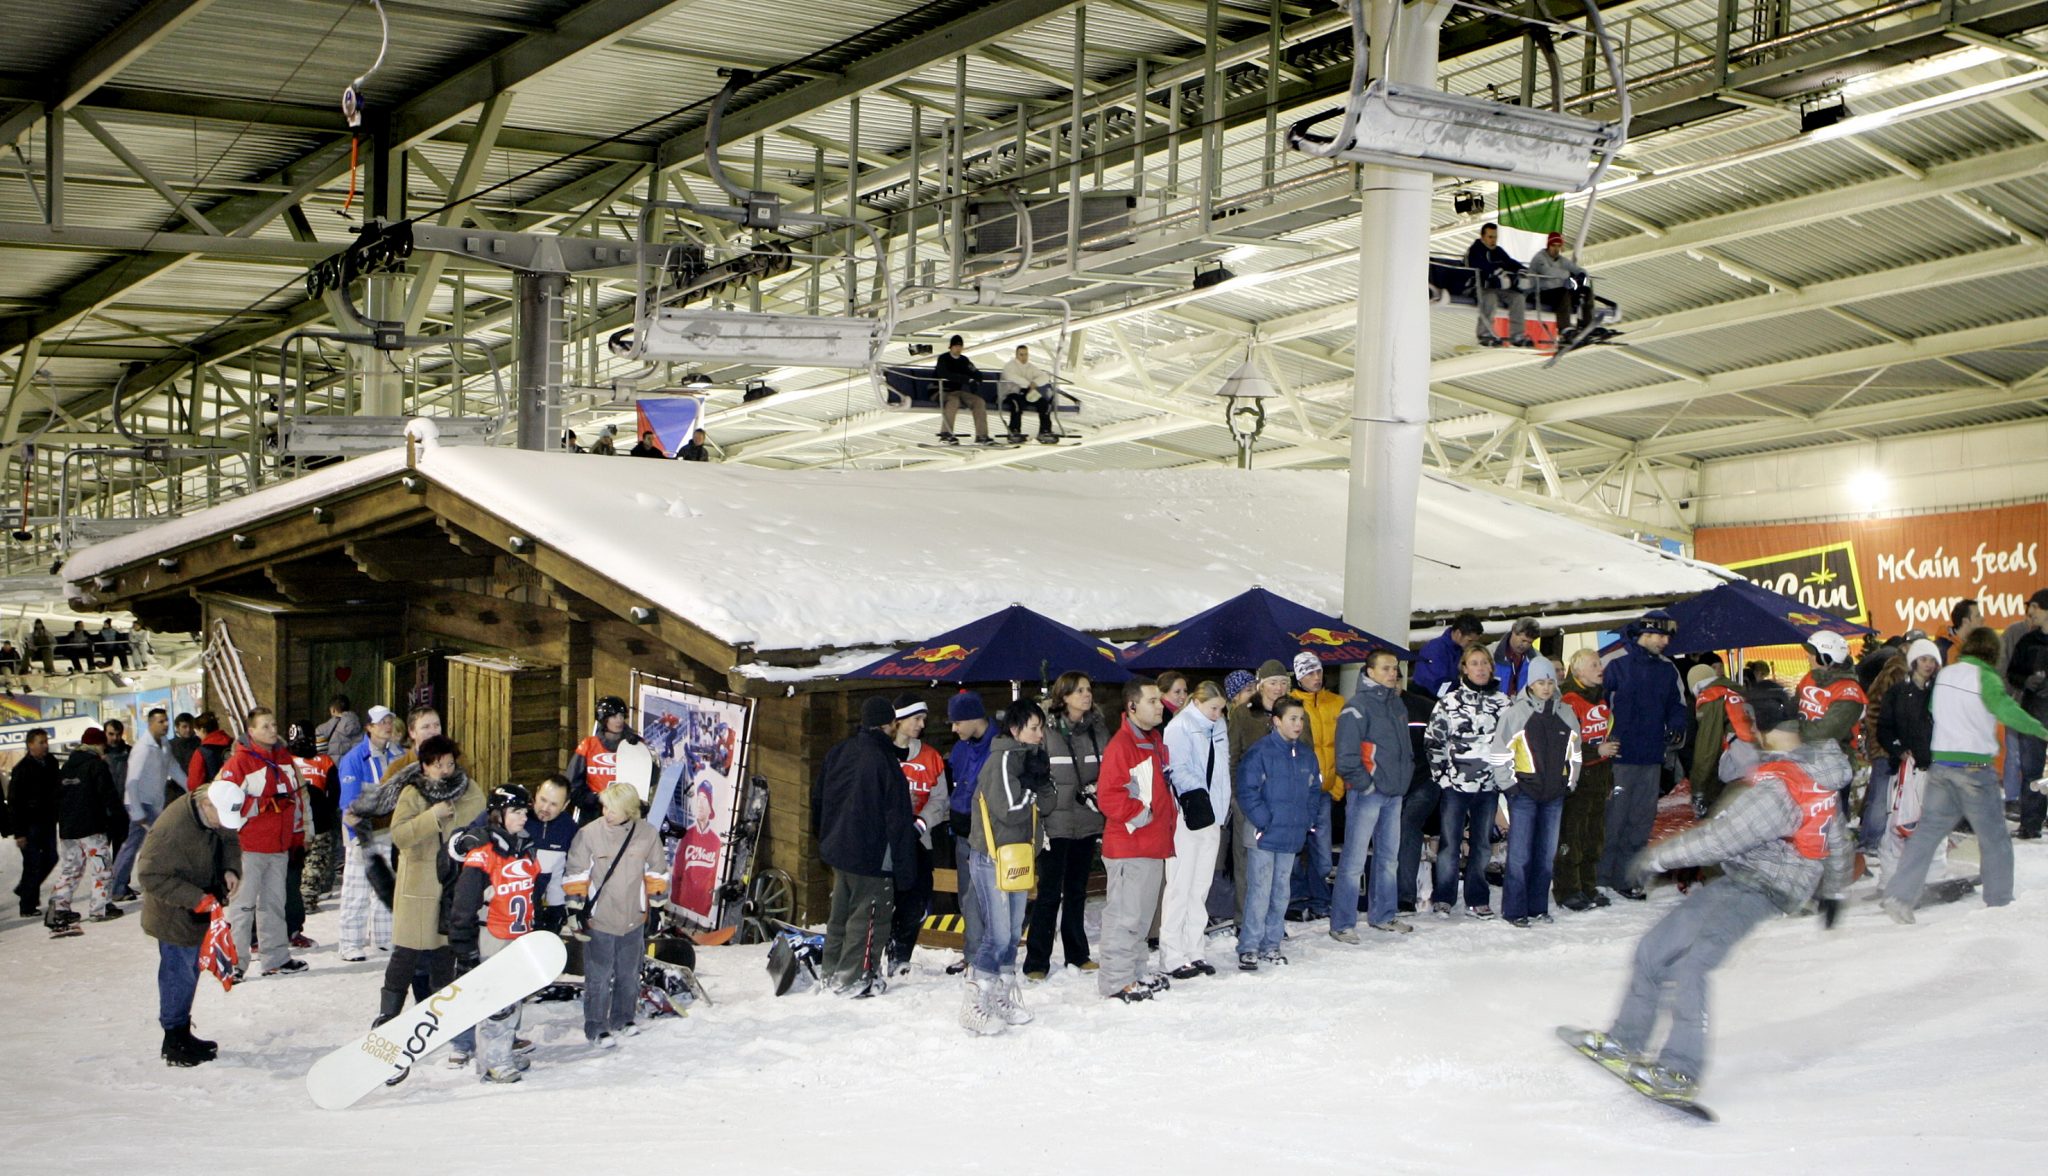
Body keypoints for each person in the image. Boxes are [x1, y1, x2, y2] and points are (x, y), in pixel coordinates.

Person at [1569, 722, 1852, 1101]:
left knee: (1692, 964)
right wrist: (1833, 889)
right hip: (1739, 881)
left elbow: (1720, 839)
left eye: (1763, 729)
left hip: (1766, 888)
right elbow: (1837, 835)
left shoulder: (1781, 788)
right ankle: (1626, 1040)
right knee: (1655, 947)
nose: (1759, 736)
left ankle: (1680, 1070)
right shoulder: (1806, 772)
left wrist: (1658, 858)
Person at [1882, 627, 2048, 921]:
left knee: (1927, 832)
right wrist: (2040, 729)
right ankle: (1999, 904)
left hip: (1941, 767)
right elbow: (2009, 712)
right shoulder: (1986, 678)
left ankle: (1900, 894)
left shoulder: (1946, 675)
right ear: (1992, 653)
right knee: (1994, 837)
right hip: (1974, 769)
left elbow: (1933, 707)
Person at [370, 735, 485, 1028]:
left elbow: (483, 823)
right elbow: (399, 835)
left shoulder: (469, 790)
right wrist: (432, 816)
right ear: (424, 767)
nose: (445, 770)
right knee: (405, 954)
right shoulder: (413, 793)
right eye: (437, 765)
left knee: (444, 954)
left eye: (449, 763)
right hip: (418, 887)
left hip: (453, 886)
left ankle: (438, 1018)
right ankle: (388, 1016)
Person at [959, 700, 1055, 1035]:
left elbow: (1050, 803)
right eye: (1033, 728)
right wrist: (1034, 788)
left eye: (1041, 728)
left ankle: (999, 996)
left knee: (1014, 933)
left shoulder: (1023, 759)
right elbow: (1010, 809)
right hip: (991, 857)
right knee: (997, 933)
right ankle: (974, 1002)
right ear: (1015, 730)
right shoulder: (1002, 759)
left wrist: (1039, 784)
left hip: (1017, 856)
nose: (1039, 735)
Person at [812, 696, 918, 996]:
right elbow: (897, 820)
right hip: (872, 855)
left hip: (839, 849)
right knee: (869, 919)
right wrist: (904, 869)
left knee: (840, 916)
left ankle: (831, 971)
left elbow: (818, 799)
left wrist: (825, 837)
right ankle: (856, 978)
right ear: (889, 724)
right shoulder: (885, 764)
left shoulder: (839, 752)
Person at [137, 780, 244, 1067]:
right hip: (173, 914)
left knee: (189, 972)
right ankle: (173, 1040)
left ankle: (182, 1032)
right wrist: (196, 898)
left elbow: (229, 836)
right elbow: (149, 875)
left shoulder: (214, 807)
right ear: (207, 805)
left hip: (199, 907)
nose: (223, 823)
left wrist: (230, 869)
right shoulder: (171, 830)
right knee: (178, 974)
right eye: (219, 818)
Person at [564, 779, 667, 1045]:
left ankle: (623, 1017)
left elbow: (656, 872)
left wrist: (656, 908)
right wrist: (575, 909)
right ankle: (596, 1026)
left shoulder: (647, 834)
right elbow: (576, 873)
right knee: (598, 977)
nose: (605, 813)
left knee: (629, 973)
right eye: (604, 807)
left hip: (633, 918)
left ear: (629, 811)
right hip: (601, 919)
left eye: (612, 809)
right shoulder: (588, 834)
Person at [448, 784, 540, 1082]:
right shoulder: (483, 854)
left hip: (519, 934)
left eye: (525, 811)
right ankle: (492, 1061)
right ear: (498, 815)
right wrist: (465, 948)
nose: (524, 816)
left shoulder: (524, 848)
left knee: (513, 999)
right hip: (493, 937)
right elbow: (463, 904)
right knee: (497, 1003)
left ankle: (502, 1051)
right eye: (516, 811)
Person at [1094, 678, 1175, 1002]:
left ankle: (1135, 972)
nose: (1161, 706)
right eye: (1153, 701)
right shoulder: (1122, 745)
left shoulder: (1152, 740)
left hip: (1151, 844)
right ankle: (1116, 980)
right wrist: (1142, 815)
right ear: (1132, 706)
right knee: (1124, 917)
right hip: (1130, 846)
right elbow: (1108, 796)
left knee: (1140, 918)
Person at [1598, 610, 1688, 901]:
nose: (1665, 642)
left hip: (1650, 756)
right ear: (1643, 634)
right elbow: (1597, 706)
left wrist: (1676, 725)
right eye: (1660, 636)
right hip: (1617, 757)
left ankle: (1627, 877)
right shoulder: (1615, 665)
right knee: (1613, 819)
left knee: (1640, 820)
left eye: (1666, 637)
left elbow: (1678, 704)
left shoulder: (1668, 669)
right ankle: (1599, 877)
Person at [1024, 671, 1107, 979]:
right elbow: (1033, 774)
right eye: (1079, 690)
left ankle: (1077, 953)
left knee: (1076, 890)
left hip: (1087, 820)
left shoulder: (1098, 729)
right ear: (1064, 696)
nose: (1087, 695)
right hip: (1055, 822)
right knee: (1048, 893)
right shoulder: (1045, 730)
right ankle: (1036, 962)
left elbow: (1108, 768)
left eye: (1089, 689)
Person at [1331, 650, 1417, 940]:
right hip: (1368, 794)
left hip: (1394, 792)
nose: (1393, 673)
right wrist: (1366, 785)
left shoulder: (1397, 705)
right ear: (1369, 671)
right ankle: (1342, 923)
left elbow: (1404, 748)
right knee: (1354, 861)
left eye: (1395, 669)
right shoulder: (1357, 707)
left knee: (1388, 858)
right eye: (1386, 668)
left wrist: (1404, 779)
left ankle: (1383, 915)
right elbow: (1346, 756)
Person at [1489, 657, 1580, 927]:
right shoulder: (1516, 713)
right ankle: (1515, 910)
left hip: (1555, 794)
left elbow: (1575, 752)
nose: (1546, 687)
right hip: (1524, 793)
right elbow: (1499, 752)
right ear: (1531, 683)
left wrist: (1571, 781)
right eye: (1541, 682)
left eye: (1550, 681)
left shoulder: (1566, 712)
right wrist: (1509, 785)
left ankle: (1538, 907)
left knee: (1545, 854)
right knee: (1520, 855)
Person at [216, 707, 305, 977]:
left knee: (274, 905)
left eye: (274, 724)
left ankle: (275, 958)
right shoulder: (238, 763)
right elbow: (222, 804)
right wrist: (264, 806)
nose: (272, 730)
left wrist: (298, 834)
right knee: (242, 907)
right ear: (251, 732)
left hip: (278, 846)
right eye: (265, 726)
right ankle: (235, 964)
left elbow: (299, 798)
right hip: (248, 847)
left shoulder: (286, 759)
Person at [1235, 696, 1319, 969]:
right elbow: (1247, 790)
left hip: (1291, 834)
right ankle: (1249, 945)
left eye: (1301, 719)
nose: (1298, 724)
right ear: (1277, 721)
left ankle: (1271, 944)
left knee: (1282, 891)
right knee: (1260, 890)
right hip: (1263, 834)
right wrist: (1264, 821)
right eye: (1292, 719)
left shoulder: (1306, 754)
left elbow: (1314, 790)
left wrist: (1307, 819)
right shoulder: (1260, 753)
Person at [1427, 644, 1508, 918]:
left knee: (1482, 844)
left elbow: (1513, 742)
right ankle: (1444, 897)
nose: (1480, 668)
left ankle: (1477, 897)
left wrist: (1504, 776)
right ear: (1464, 667)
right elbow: (1434, 740)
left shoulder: (1503, 702)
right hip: (1455, 786)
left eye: (1484, 663)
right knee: (1450, 843)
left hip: (1489, 787)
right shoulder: (1449, 702)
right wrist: (1442, 776)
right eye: (1474, 663)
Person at [1161, 680, 1231, 978]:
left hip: (1213, 815)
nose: (1217, 714)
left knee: (1200, 886)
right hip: (1189, 815)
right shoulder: (1179, 727)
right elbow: (1177, 768)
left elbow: (1223, 771)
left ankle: (1194, 948)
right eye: (1213, 708)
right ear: (1198, 702)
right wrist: (1198, 799)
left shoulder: (1220, 727)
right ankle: (1171, 954)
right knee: (1180, 885)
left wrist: (1220, 806)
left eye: (1221, 710)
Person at [887, 695, 951, 975]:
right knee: (885, 898)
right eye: (916, 719)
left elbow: (940, 800)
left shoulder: (930, 756)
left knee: (915, 899)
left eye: (923, 719)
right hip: (884, 841)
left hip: (918, 840)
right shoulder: (881, 753)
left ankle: (901, 954)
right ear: (899, 720)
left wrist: (922, 822)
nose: (922, 725)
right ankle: (879, 951)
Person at [1225, 660, 1292, 921]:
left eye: (1283, 683)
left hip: (1285, 800)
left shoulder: (1294, 713)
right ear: (1261, 685)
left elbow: (1306, 753)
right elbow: (1233, 756)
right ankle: (1246, 919)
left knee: (1281, 865)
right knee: (1248, 863)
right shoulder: (1243, 714)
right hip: (1250, 798)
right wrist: (1236, 795)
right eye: (1273, 682)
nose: (1278, 688)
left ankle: (1274, 920)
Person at [335, 704, 399, 960]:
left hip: (390, 832)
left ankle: (384, 938)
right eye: (381, 722)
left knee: (386, 886)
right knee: (357, 889)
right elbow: (350, 802)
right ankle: (350, 942)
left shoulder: (398, 754)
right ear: (369, 727)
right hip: (363, 833)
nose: (387, 726)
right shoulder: (354, 758)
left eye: (389, 721)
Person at [47, 727, 126, 932]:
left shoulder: (66, 768)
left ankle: (59, 907)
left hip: (68, 829)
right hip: (92, 826)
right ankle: (100, 908)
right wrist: (118, 816)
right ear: (97, 745)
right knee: (101, 867)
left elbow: (56, 798)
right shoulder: (96, 766)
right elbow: (107, 795)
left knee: (71, 868)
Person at [1555, 649, 1615, 912]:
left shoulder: (1600, 697)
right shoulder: (1568, 699)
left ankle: (1588, 886)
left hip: (1599, 775)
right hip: (1577, 776)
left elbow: (1602, 737)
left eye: (1599, 663)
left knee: (1594, 836)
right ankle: (1568, 889)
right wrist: (1595, 752)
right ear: (1578, 671)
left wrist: (1608, 776)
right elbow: (1564, 743)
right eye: (1593, 664)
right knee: (1573, 835)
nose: (1600, 668)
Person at [1869, 639, 1938, 856]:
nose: (1928, 665)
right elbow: (1884, 727)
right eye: (1923, 659)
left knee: (1931, 824)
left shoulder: (1938, 693)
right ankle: (1892, 876)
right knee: (1897, 824)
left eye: (1932, 660)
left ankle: (1928, 871)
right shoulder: (1897, 692)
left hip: (1932, 768)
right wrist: (1898, 750)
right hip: (1903, 769)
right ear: (1914, 661)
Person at [943, 690, 996, 974]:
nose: (953, 728)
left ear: (973, 718)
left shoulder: (998, 746)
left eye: (956, 722)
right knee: (968, 896)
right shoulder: (962, 747)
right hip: (963, 832)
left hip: (989, 834)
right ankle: (973, 954)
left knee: (986, 896)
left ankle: (986, 956)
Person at [1288, 652, 1342, 921]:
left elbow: (1344, 745)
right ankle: (1296, 900)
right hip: (1298, 790)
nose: (1316, 677)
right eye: (1309, 673)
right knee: (1296, 849)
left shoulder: (1337, 702)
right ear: (1298, 676)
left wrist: (1338, 784)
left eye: (1318, 672)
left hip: (1325, 790)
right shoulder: (1291, 704)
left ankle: (1321, 900)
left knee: (1322, 852)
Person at [1795, 631, 1868, 819]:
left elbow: (1825, 733)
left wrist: (1790, 732)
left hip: (1833, 765)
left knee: (1832, 821)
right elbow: (1791, 709)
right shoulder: (1809, 678)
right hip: (1803, 760)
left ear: (1826, 657)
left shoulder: (1849, 692)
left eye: (1812, 653)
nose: (1808, 656)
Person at [111, 708, 177, 903]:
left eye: (166, 721)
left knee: (138, 845)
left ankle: (118, 885)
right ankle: (117, 886)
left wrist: (193, 787)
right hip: (140, 803)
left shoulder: (163, 745)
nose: (165, 725)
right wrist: (137, 810)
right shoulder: (142, 748)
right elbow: (131, 781)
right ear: (150, 724)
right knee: (145, 843)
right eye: (161, 721)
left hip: (152, 803)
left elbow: (174, 768)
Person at [1688, 660, 1759, 819]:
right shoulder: (1735, 690)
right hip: (1759, 759)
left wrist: (1698, 788)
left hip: (1740, 763)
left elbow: (1707, 749)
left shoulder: (1711, 698)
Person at [2004, 590, 2048, 839]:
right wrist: (2026, 681)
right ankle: (2031, 824)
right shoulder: (2027, 641)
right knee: (2031, 770)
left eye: (2034, 607)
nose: (2030, 612)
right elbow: (2012, 674)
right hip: (2032, 714)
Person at [10, 728, 65, 917]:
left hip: (47, 821)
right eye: (41, 742)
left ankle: (25, 888)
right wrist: (19, 833)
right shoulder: (22, 769)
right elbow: (15, 803)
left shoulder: (50, 763)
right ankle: (27, 905)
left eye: (46, 741)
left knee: (51, 857)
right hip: (29, 824)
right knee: (32, 863)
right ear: (30, 744)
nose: (45, 745)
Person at [291, 722, 339, 919]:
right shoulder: (324, 762)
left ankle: (301, 899)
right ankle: (306, 900)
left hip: (301, 820)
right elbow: (334, 793)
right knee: (314, 863)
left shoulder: (288, 761)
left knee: (303, 863)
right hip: (315, 819)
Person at [568, 696, 642, 819]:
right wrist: (593, 800)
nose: (619, 721)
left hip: (625, 811)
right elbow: (572, 785)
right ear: (604, 719)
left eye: (622, 716)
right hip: (594, 812)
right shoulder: (588, 746)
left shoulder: (636, 745)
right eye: (614, 717)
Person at [1466, 222, 1531, 347]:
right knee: (1490, 298)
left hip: (1497, 288)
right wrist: (1495, 272)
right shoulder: (1475, 250)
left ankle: (1517, 335)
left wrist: (1522, 271)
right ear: (1483, 236)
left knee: (1518, 298)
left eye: (1495, 237)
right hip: (1479, 287)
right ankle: (1484, 334)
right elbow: (1479, 265)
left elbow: (1510, 262)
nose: (1493, 240)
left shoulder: (1498, 251)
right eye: (1490, 237)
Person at [527, 776, 578, 932]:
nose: (545, 807)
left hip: (542, 905)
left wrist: (560, 911)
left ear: (565, 805)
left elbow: (570, 871)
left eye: (554, 804)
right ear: (536, 793)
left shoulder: (569, 829)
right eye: (543, 799)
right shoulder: (517, 815)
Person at [933, 334, 992, 445]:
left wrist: (976, 380)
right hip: (941, 390)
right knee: (953, 401)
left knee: (978, 401)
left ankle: (982, 435)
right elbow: (944, 374)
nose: (958, 348)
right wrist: (966, 379)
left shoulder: (964, 360)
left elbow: (975, 372)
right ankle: (946, 434)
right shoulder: (943, 359)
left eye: (960, 346)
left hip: (958, 392)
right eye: (956, 346)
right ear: (950, 347)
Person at [1413, 614, 1485, 699]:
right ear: (1458, 634)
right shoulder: (1434, 650)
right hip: (1428, 698)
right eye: (1470, 641)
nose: (1472, 645)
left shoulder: (1460, 648)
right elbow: (1437, 687)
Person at [996, 343, 1055, 444]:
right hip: (1011, 393)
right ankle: (1014, 431)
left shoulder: (1030, 367)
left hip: (1027, 393)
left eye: (1026, 354)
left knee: (1044, 404)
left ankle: (1045, 431)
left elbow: (1044, 376)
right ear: (1016, 355)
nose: (1024, 357)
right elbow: (1012, 377)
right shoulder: (1010, 366)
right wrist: (1029, 384)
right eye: (1021, 355)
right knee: (1017, 405)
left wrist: (1035, 383)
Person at [1525, 231, 1589, 321]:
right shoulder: (1539, 258)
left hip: (1556, 292)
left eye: (1558, 246)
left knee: (1585, 291)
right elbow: (1547, 271)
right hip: (1539, 293)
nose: (1556, 249)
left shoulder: (1561, 260)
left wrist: (1581, 274)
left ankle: (1586, 321)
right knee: (1563, 292)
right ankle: (1565, 326)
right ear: (1548, 245)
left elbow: (1577, 269)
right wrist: (1568, 274)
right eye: (1553, 245)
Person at [183, 712, 232, 796]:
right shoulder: (233, 744)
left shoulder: (202, 752)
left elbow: (194, 784)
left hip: (213, 797)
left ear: (202, 730)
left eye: (197, 731)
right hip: (235, 792)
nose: (197, 735)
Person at [1493, 617, 1541, 697]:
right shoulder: (1491, 652)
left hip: (1523, 706)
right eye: (1523, 640)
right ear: (1513, 631)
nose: (1525, 645)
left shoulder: (1537, 659)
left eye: (1529, 642)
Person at [317, 694, 364, 763]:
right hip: (353, 769)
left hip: (332, 770)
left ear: (333, 710)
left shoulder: (322, 729)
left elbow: (319, 756)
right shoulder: (360, 726)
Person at [1934, 598, 1982, 663]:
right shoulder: (1943, 648)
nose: (1982, 619)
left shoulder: (1980, 645)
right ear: (1965, 621)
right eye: (1977, 616)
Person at [166, 714, 199, 798]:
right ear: (177, 728)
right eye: (184, 727)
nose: (188, 730)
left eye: (190, 726)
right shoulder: (170, 746)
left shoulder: (200, 743)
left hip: (197, 789)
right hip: (176, 790)